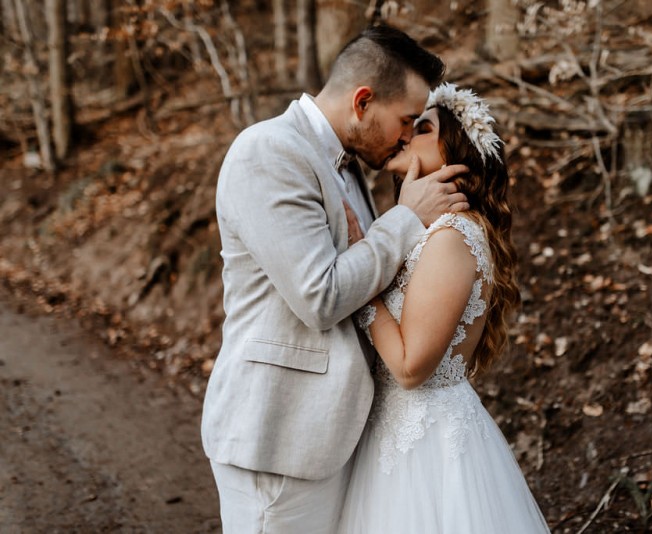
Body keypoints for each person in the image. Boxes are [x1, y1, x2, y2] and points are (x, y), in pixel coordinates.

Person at [201, 26, 470, 533]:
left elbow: (364, 276)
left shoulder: (345, 167)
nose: (408, 137)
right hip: (278, 437)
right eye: (406, 120)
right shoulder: (269, 152)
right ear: (363, 101)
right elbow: (321, 297)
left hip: (328, 433)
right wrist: (405, 221)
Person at [338, 83, 551, 533]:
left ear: (455, 154)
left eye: (423, 128)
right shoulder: (422, 231)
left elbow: (412, 367)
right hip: (392, 433)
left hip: (428, 446)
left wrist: (363, 274)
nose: (405, 134)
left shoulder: (453, 237)